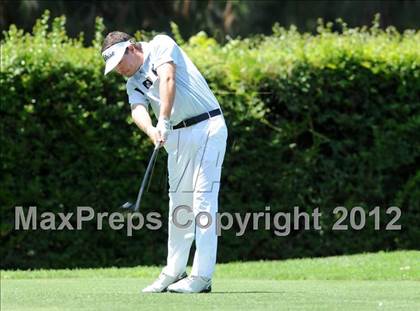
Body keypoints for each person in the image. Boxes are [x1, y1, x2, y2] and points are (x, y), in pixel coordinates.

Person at [101, 31, 228, 293]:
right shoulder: (132, 83)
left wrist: (163, 119)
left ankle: (202, 277)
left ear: (132, 48)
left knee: (202, 201)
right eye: (113, 68)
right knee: (179, 204)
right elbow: (137, 110)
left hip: (207, 125)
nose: (119, 70)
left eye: (119, 63)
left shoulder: (160, 44)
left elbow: (167, 77)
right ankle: (174, 270)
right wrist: (152, 130)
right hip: (176, 136)